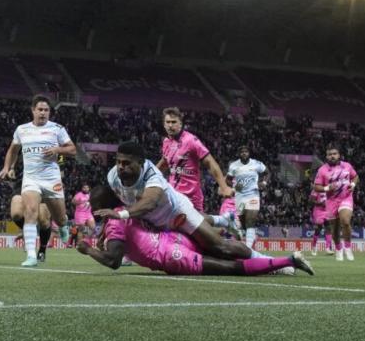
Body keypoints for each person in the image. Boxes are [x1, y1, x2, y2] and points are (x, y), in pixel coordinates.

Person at [79, 185, 314, 276]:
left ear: (102, 208)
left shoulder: (114, 222)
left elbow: (113, 261)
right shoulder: (127, 209)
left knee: (231, 268)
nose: (92, 210)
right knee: (224, 248)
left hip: (170, 256)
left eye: (94, 206)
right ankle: (225, 224)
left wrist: (87, 249)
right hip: (175, 237)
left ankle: (288, 261)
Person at [96, 141, 257, 262]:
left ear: (140, 163)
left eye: (126, 163)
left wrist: (120, 215)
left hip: (177, 213)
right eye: (118, 162)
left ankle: (262, 259)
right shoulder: (113, 176)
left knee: (219, 247)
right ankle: (222, 220)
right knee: (200, 248)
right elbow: (115, 203)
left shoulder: (152, 175)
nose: (120, 167)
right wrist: (106, 228)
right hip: (155, 223)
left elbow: (148, 203)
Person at [0, 95, 76, 267]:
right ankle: (31, 256)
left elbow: (72, 150)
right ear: (33, 110)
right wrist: (6, 167)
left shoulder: (57, 129)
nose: (43, 113)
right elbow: (13, 150)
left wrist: (57, 149)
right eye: (40, 109)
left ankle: (63, 225)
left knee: (60, 218)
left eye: (46, 110)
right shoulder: (22, 129)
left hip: (52, 179)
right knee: (31, 212)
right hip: (31, 179)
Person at [156, 107, 233, 212]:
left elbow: (210, 163)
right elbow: (165, 162)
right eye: (167, 122)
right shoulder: (166, 142)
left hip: (191, 198)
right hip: (173, 195)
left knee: (197, 227)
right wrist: (148, 177)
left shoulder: (191, 140)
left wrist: (224, 187)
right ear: (164, 124)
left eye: (174, 122)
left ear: (180, 124)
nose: (170, 125)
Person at [314, 144, 359, 262]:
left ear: (339, 155)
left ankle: (348, 247)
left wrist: (353, 185)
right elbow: (316, 187)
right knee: (334, 228)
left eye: (334, 154)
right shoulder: (322, 170)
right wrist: (327, 188)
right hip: (331, 201)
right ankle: (338, 249)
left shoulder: (347, 166)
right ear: (326, 156)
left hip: (346, 198)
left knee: (345, 221)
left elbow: (355, 177)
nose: (332, 156)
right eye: (330, 154)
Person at [6, 170, 54, 263]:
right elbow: (12, 155)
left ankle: (42, 250)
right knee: (16, 214)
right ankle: (28, 230)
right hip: (23, 185)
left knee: (44, 221)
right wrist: (9, 168)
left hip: (42, 187)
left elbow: (60, 161)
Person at [227, 146, 269, 249]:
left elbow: (267, 172)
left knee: (251, 220)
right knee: (243, 223)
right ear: (239, 154)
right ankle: (250, 237)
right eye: (242, 152)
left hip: (253, 195)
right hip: (239, 196)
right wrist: (234, 186)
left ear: (249, 153)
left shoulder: (256, 164)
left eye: (246, 152)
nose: (244, 153)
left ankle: (248, 248)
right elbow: (228, 180)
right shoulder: (233, 166)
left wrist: (264, 182)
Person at [309, 185, 333, 256]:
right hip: (318, 211)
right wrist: (320, 203)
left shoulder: (329, 189)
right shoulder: (316, 190)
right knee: (318, 228)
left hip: (327, 210)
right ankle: (313, 246)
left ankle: (328, 248)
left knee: (328, 227)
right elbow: (311, 200)